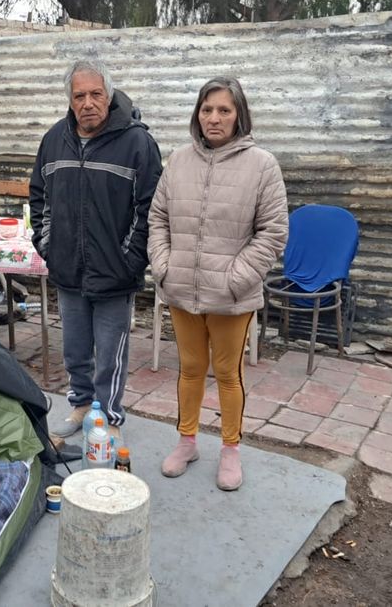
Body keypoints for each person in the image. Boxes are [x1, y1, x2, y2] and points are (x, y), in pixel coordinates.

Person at [148, 77, 288, 491]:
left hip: (231, 296)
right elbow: (158, 219)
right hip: (182, 288)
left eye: (224, 110)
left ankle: (230, 449)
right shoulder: (178, 161)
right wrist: (164, 265)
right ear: (197, 114)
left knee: (228, 373)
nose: (214, 118)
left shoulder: (262, 165)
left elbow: (273, 231)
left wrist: (237, 278)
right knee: (190, 369)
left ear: (239, 115)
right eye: (207, 109)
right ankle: (187, 441)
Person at [29, 60, 163, 443]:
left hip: (114, 273)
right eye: (79, 96)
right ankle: (81, 405)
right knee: (74, 349)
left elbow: (151, 208)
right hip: (69, 268)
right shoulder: (55, 139)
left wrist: (129, 259)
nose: (88, 103)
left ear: (109, 95)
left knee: (110, 354)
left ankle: (109, 417)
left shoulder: (137, 143)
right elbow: (39, 197)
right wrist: (48, 244)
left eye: (95, 94)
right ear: (70, 101)